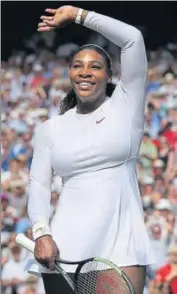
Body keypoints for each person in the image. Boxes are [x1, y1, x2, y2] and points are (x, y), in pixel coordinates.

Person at [27, 5, 155, 294]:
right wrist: (41, 233)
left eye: (95, 66)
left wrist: (77, 15)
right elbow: (38, 185)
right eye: (77, 65)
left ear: (110, 75)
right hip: (62, 249)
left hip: (121, 245)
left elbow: (132, 38)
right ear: (70, 73)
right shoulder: (51, 129)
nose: (85, 72)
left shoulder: (126, 106)